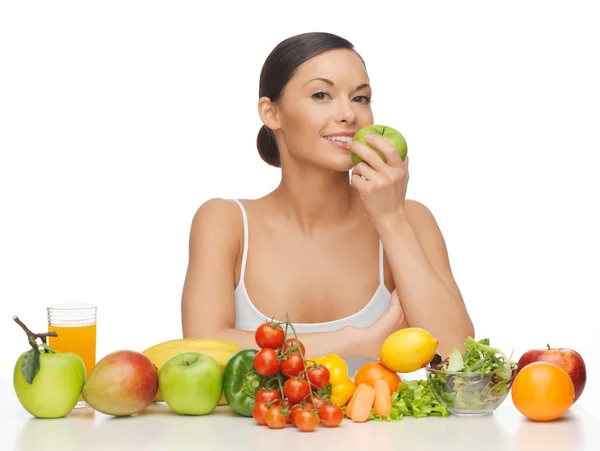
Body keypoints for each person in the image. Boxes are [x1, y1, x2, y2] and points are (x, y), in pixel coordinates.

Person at [181, 32, 474, 375]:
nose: (348, 114)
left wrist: (391, 219)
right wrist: (353, 342)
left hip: (373, 430)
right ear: (271, 112)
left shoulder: (411, 219)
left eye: (361, 98)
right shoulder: (225, 221)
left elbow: (458, 357)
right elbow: (203, 347)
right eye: (322, 95)